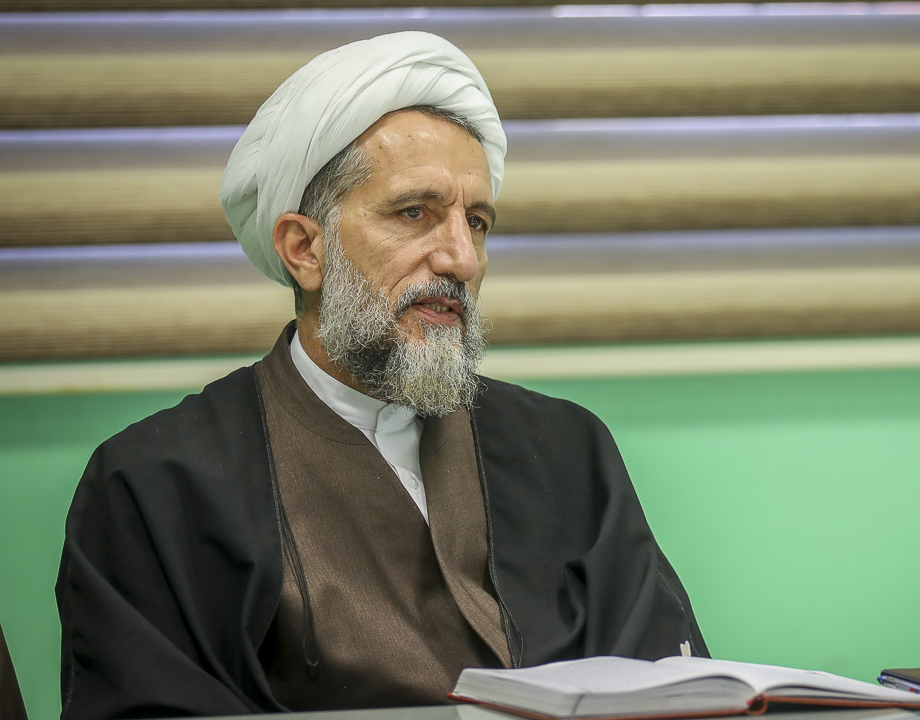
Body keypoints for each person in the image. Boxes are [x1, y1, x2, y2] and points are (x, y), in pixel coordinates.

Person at [56, 32, 707, 719]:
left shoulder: (567, 451)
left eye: (477, 222)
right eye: (414, 213)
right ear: (304, 249)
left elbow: (674, 689)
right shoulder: (154, 485)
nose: (461, 259)